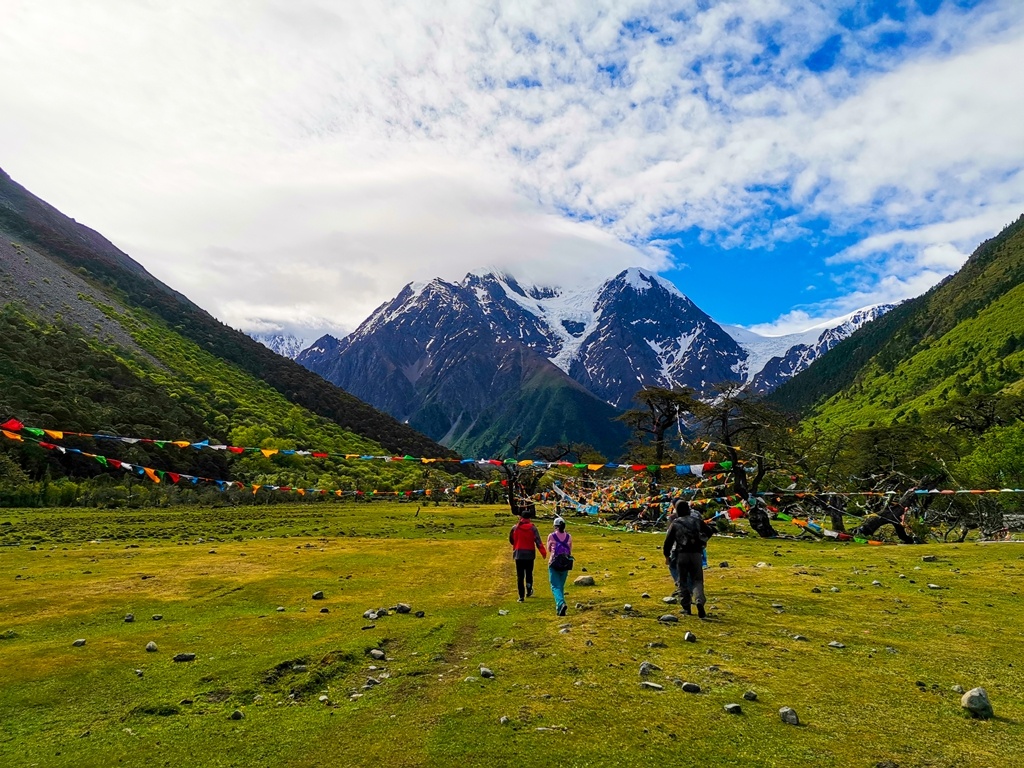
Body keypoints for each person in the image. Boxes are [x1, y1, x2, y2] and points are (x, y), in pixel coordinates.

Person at [663, 499, 715, 618]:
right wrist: (703, 541)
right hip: (696, 554)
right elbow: (709, 531)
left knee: (683, 581)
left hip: (682, 555)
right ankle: (699, 601)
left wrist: (667, 555)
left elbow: (668, 542)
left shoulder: (675, 523)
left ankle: (686, 607)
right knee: (697, 580)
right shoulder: (697, 521)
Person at [509, 512, 547, 602]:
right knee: (529, 573)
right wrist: (543, 552)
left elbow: (511, 540)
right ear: (529, 518)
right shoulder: (533, 528)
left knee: (520, 576)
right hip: (530, 554)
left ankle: (521, 596)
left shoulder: (515, 527)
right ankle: (529, 590)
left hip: (518, 554)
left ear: (521, 517)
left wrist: (517, 544)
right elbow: (538, 541)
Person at [546, 517, 573, 616]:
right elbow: (569, 551)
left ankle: (561, 603)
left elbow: (549, 549)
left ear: (555, 526)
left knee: (554, 586)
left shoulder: (551, 536)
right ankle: (559, 609)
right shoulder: (569, 536)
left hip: (554, 563)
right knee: (560, 586)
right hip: (565, 564)